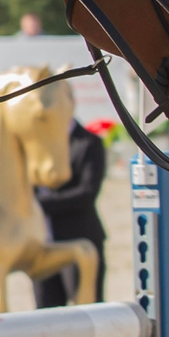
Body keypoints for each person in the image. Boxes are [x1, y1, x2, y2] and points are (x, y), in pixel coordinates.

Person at [31, 121, 110, 309]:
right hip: (42, 244)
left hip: (78, 238)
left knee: (86, 310)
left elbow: (86, 193)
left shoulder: (89, 143)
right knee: (44, 311)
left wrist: (39, 205)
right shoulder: (36, 143)